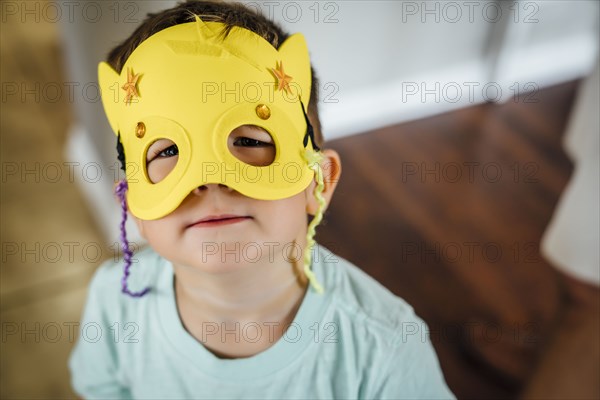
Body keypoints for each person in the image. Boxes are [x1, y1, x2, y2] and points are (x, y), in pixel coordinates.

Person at [68, 1, 455, 398]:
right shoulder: (115, 303)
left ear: (318, 181)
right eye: (166, 151)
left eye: (250, 141)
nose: (210, 182)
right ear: (130, 202)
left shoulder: (385, 348)